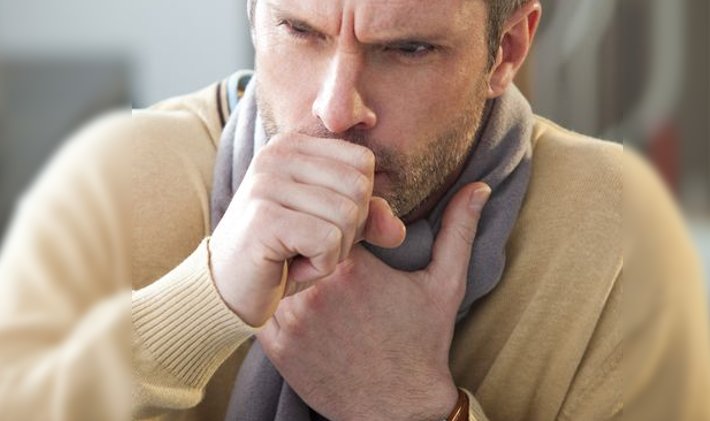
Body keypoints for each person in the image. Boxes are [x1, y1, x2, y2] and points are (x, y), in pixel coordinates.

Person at [1, 0, 708, 420]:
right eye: (300, 31)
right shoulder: (112, 179)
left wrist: (409, 405)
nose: (335, 110)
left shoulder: (620, 232)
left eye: (407, 49)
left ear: (509, 49)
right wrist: (208, 299)